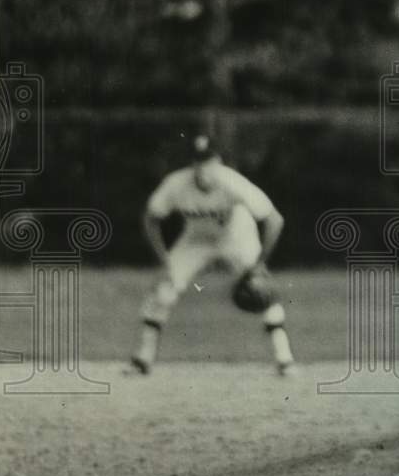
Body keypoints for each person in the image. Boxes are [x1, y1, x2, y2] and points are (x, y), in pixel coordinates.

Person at [126, 135, 298, 377]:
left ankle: (284, 359)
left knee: (262, 290)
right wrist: (163, 259)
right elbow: (150, 218)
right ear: (191, 164)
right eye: (198, 161)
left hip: (236, 237)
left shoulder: (233, 182)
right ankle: (142, 359)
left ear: (219, 162)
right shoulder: (176, 184)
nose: (203, 167)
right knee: (165, 288)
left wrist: (260, 264)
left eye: (208, 161)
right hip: (196, 241)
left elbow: (274, 219)